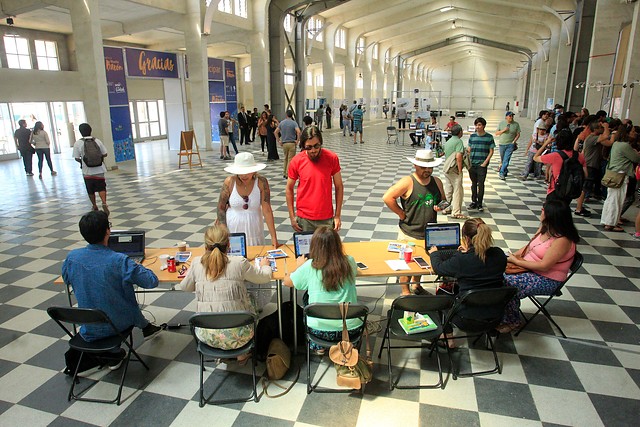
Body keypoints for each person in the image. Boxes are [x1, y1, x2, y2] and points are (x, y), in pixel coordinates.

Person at [62, 210, 164, 346]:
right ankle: (144, 326)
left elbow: (66, 279)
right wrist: (134, 265)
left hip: (88, 325)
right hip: (117, 324)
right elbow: (152, 281)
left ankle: (144, 327)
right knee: (122, 297)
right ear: (107, 231)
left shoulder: (72, 257)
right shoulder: (119, 260)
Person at [176, 224, 272, 363]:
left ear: (205, 246)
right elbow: (263, 278)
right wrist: (265, 265)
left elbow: (185, 287)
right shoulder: (239, 262)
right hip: (240, 336)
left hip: (206, 335)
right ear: (228, 245)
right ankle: (242, 354)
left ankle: (221, 352)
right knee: (250, 299)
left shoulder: (197, 263)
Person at [498, 200, 580, 333]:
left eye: (544, 210)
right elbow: (528, 247)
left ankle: (512, 320)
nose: (541, 211)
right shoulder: (545, 228)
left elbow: (544, 266)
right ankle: (498, 314)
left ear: (552, 215)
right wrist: (510, 257)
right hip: (528, 268)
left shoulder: (563, 240)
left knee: (507, 284)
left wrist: (516, 261)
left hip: (547, 279)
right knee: (494, 272)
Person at [429, 218, 507, 346]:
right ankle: (490, 334)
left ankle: (448, 338)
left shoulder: (462, 260)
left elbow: (438, 268)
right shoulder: (499, 254)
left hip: (466, 319)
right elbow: (483, 266)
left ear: (466, 238)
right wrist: (469, 252)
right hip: (495, 316)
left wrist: (434, 253)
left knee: (442, 294)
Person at [282, 226, 361, 354]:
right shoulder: (350, 262)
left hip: (319, 331)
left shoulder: (309, 266)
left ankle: (319, 347)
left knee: (307, 298)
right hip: (350, 330)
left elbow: (288, 282)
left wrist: (299, 267)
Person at [382, 149, 445, 295]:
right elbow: (387, 197)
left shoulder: (437, 181)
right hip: (409, 232)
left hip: (428, 231)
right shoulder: (407, 182)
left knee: (421, 261)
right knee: (407, 264)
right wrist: (401, 214)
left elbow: (443, 200)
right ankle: (405, 291)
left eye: (430, 167)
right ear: (416, 166)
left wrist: (440, 206)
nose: (427, 170)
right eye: (424, 167)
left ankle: (417, 285)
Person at [286, 126, 343, 232]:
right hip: (304, 219)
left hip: (326, 218)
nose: (313, 150)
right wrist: (292, 216)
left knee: (326, 249)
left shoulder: (332, 158)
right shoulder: (296, 161)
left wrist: (337, 215)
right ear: (303, 146)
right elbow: (289, 188)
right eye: (309, 147)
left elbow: (339, 187)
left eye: (316, 146)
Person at [217, 152, 279, 248]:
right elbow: (220, 208)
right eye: (241, 172)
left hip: (254, 227)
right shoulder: (229, 182)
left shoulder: (261, 182)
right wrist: (223, 230)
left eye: (247, 172)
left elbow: (267, 209)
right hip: (233, 227)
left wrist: (273, 237)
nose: (244, 176)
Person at [600, 126, 640, 232]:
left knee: (611, 199)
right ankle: (611, 223)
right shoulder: (624, 146)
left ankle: (607, 220)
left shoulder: (616, 144)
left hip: (613, 174)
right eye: (632, 131)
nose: (634, 133)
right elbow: (636, 158)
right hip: (620, 175)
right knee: (616, 200)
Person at [533, 128, 586, 204]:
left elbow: (535, 158)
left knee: (546, 213)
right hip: (569, 191)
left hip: (555, 190)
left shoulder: (555, 156)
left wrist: (546, 143)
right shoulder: (580, 156)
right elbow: (585, 174)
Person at [72, 123, 110, 215]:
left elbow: (76, 157)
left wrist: (83, 161)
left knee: (90, 189)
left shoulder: (78, 143)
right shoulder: (97, 141)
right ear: (90, 130)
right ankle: (104, 202)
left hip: (87, 171)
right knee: (101, 187)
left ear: (80, 132)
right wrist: (99, 158)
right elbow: (105, 153)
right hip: (99, 169)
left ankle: (94, 205)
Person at [467, 117, 495, 212]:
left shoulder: (489, 137)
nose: (477, 127)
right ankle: (473, 201)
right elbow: (469, 150)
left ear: (483, 126)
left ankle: (480, 203)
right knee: (473, 184)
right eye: (476, 125)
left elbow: (491, 151)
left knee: (481, 184)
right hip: (472, 164)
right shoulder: (472, 136)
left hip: (482, 165)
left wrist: (485, 163)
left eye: (479, 125)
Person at [442, 124, 466, 218]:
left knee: (448, 190)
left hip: (447, 168)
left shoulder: (448, 141)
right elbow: (459, 157)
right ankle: (456, 212)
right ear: (460, 132)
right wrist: (460, 171)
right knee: (458, 190)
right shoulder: (459, 142)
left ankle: (445, 208)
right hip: (454, 169)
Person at [495, 111, 521, 180]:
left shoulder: (516, 124)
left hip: (510, 144)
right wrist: (503, 130)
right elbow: (496, 133)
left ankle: (501, 173)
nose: (511, 117)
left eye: (512, 116)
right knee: (503, 159)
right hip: (502, 144)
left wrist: (514, 141)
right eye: (510, 116)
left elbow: (518, 134)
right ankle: (505, 170)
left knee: (506, 159)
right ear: (506, 117)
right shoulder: (502, 123)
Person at [275, 110, 301, 179]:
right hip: (292, 143)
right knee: (290, 159)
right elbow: (298, 132)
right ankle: (287, 173)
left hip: (284, 143)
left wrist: (279, 141)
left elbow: (275, 132)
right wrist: (297, 140)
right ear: (292, 115)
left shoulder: (282, 123)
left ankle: (284, 172)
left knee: (285, 158)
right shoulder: (294, 123)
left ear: (286, 115)